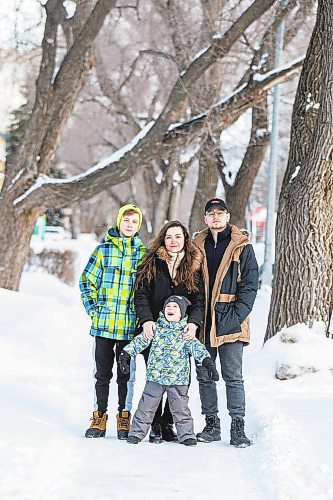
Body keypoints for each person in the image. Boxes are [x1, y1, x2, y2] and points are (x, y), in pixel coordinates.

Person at [193, 198, 259, 447]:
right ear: (206, 219)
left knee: (233, 376)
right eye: (211, 213)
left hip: (232, 322)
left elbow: (250, 286)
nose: (216, 217)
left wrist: (235, 318)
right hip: (203, 322)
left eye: (220, 212)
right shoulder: (196, 246)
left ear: (228, 217)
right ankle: (211, 424)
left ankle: (238, 426)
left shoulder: (243, 247)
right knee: (205, 375)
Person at [80, 204, 146, 439]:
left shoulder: (143, 254)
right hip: (105, 325)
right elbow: (86, 282)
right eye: (126, 221)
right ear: (119, 222)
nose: (130, 225)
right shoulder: (103, 251)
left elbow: (146, 290)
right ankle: (99, 416)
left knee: (125, 375)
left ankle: (123, 416)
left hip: (129, 327)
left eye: (134, 222)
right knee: (102, 374)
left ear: (138, 227)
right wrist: (94, 311)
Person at [134, 220, 205, 443]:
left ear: (185, 239)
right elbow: (141, 294)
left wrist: (193, 324)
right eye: (169, 237)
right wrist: (146, 321)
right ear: (163, 240)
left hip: (181, 335)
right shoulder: (153, 262)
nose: (173, 241)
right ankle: (154, 425)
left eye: (178, 237)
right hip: (154, 331)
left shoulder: (193, 265)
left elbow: (199, 300)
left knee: (178, 381)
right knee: (155, 380)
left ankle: (168, 423)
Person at [118, 295, 219, 446]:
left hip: (178, 379)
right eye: (168, 307)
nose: (170, 309)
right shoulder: (156, 328)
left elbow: (198, 349)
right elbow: (140, 341)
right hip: (155, 378)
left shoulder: (186, 333)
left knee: (180, 410)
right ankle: (136, 434)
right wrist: (125, 354)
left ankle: (186, 436)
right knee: (145, 407)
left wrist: (208, 363)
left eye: (175, 307)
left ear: (182, 313)